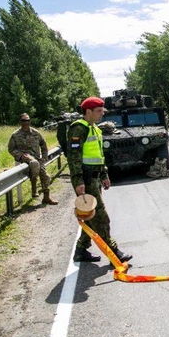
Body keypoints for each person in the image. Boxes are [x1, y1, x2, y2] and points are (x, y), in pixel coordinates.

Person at [67, 96, 132, 263]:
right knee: (101, 217)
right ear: (88, 111)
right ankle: (114, 253)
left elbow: (99, 155)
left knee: (91, 215)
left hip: (95, 177)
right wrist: (78, 181)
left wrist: (104, 175)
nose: (102, 113)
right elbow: (74, 157)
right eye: (98, 111)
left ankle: (81, 250)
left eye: (102, 110)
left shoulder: (95, 128)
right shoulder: (78, 129)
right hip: (86, 179)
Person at [8, 113, 57, 205]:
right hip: (25, 158)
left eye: (27, 120)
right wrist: (20, 155)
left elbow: (43, 145)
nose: (26, 122)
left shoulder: (36, 133)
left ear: (30, 121)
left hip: (37, 158)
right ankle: (34, 188)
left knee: (46, 176)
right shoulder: (15, 135)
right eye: (23, 121)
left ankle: (46, 198)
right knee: (34, 163)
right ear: (20, 122)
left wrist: (44, 157)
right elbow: (11, 149)